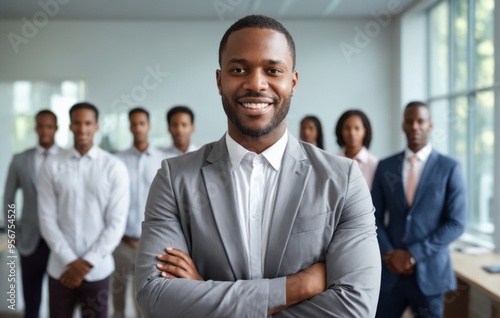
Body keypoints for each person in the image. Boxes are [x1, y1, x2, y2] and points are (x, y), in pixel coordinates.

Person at [135, 15, 381, 317]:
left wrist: (202, 290)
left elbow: (355, 308)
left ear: (292, 82)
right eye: (239, 69)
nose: (255, 83)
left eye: (273, 70)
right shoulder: (174, 179)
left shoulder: (342, 179)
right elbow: (156, 297)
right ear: (219, 80)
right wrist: (297, 286)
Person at [371, 101, 466, 318]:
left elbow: (456, 223)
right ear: (403, 125)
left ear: (430, 125)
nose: (414, 126)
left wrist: (413, 255)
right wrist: (390, 254)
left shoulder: (450, 168)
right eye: (409, 121)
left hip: (430, 274)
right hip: (390, 273)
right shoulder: (385, 167)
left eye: (420, 121)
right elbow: (372, 217)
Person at [37, 102, 129, 318]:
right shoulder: (51, 165)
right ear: (70, 126)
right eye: (77, 123)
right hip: (61, 270)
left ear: (96, 126)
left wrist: (86, 264)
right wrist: (71, 261)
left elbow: (116, 223)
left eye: (88, 123)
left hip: (98, 270)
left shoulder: (114, 167)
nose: (82, 128)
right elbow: (47, 220)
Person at [3, 110, 60, 318]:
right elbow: (8, 200)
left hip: (60, 240)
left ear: (56, 128)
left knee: (60, 301)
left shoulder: (67, 158)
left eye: (49, 126)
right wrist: (12, 235)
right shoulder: (20, 160)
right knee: (32, 299)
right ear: (35, 128)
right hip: (30, 240)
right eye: (41, 126)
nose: (44, 131)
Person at [112, 107, 164, 318]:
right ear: (129, 127)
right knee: (117, 300)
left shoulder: (163, 160)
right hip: (121, 242)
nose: (138, 128)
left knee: (145, 302)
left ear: (148, 126)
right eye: (133, 124)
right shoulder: (117, 160)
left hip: (150, 244)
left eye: (142, 123)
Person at [335, 109, 378, 188]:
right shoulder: (333, 161)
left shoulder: (374, 164)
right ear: (341, 131)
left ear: (365, 131)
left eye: (357, 128)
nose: (352, 133)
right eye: (347, 128)